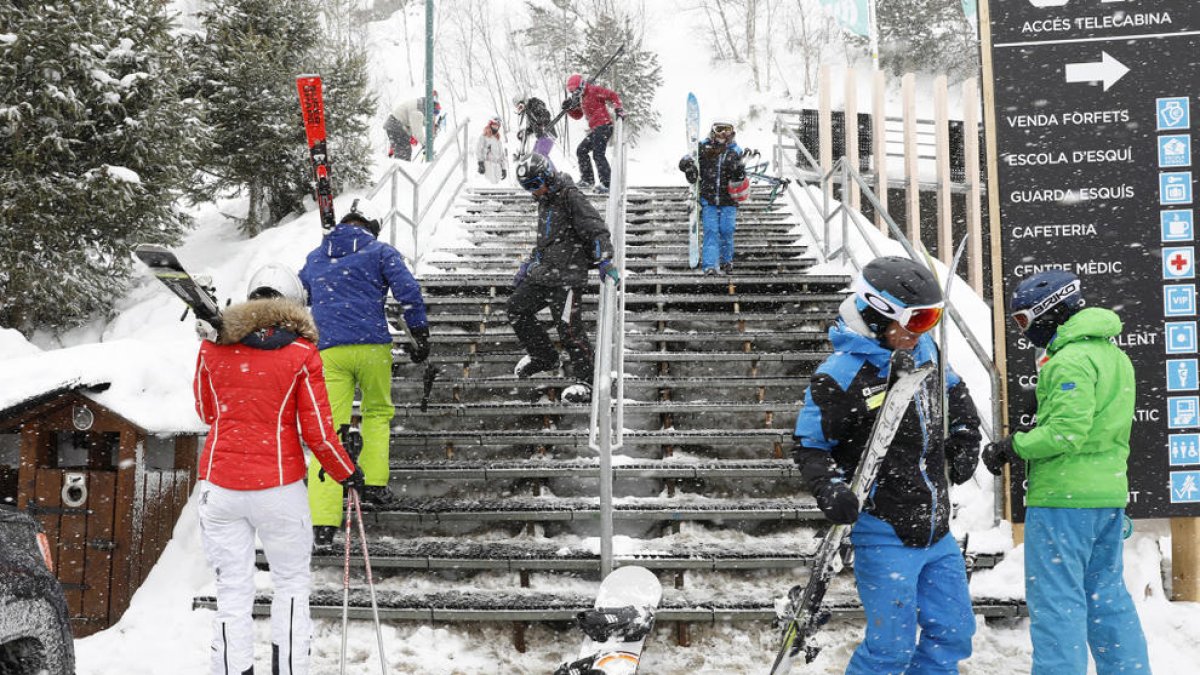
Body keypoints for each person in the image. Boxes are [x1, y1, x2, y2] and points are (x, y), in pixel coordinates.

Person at [792, 256, 982, 675]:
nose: (923, 332)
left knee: (953, 634)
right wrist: (830, 488)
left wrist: (967, 436)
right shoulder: (840, 375)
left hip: (936, 527)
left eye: (932, 319)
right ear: (879, 314)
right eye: (917, 320)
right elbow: (810, 446)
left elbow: (955, 392)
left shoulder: (924, 349)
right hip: (884, 530)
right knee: (890, 649)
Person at [193, 264, 363, 675]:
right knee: (290, 584)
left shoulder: (212, 346)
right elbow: (317, 431)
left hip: (221, 486)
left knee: (232, 591)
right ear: (295, 305)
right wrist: (346, 471)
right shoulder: (301, 354)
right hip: (278, 487)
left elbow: (206, 411)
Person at [983, 270, 1150, 674]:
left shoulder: (1069, 360)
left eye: (1023, 320)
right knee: (1106, 597)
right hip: (1106, 496)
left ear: (1049, 312)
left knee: (1057, 602)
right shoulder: (1113, 356)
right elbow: (1095, 423)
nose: (1024, 331)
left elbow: (1065, 433)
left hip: (1063, 498)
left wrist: (1012, 446)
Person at [299, 199, 430, 549]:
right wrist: (420, 332)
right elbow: (408, 291)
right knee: (377, 412)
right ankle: (373, 483)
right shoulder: (380, 251)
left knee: (328, 430)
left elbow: (297, 294)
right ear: (372, 225)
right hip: (372, 345)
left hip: (328, 351)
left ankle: (323, 520)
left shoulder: (316, 257)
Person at [508, 153, 617, 403]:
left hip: (567, 276)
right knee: (516, 308)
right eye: (528, 187)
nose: (534, 191)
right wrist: (528, 264)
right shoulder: (545, 202)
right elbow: (546, 243)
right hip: (545, 274)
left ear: (548, 175)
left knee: (569, 330)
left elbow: (595, 228)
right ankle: (544, 356)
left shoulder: (570, 196)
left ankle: (588, 382)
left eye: (536, 184)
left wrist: (605, 259)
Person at [678, 120, 750, 276]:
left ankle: (726, 261)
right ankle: (710, 265)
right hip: (709, 198)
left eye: (727, 129)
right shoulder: (704, 147)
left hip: (728, 200)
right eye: (719, 129)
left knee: (727, 230)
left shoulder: (735, 151)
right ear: (713, 131)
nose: (723, 133)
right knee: (711, 231)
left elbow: (740, 178)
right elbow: (686, 160)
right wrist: (687, 164)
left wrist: (739, 171)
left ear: (732, 132)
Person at [561, 73, 623, 193]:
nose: (575, 94)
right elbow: (578, 115)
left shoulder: (594, 90)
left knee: (598, 154)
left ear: (582, 85)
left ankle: (608, 184)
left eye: (576, 90)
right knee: (581, 150)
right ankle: (587, 180)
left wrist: (618, 107)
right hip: (596, 129)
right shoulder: (582, 98)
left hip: (604, 125)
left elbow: (612, 95)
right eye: (572, 92)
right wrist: (569, 109)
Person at [384, 91, 442, 161]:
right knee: (404, 152)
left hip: (396, 126)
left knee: (404, 150)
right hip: (395, 126)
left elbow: (421, 121)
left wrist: (431, 124)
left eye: (437, 113)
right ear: (430, 109)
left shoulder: (421, 105)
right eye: (435, 112)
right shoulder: (417, 111)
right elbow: (417, 132)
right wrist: (426, 144)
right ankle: (400, 166)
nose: (434, 115)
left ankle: (399, 164)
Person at [513, 94, 557, 160]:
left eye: (521, 107)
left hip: (548, 134)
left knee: (540, 157)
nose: (521, 109)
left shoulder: (535, 104)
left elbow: (546, 115)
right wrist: (527, 131)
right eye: (519, 108)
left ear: (524, 101)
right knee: (533, 157)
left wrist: (540, 121)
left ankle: (549, 167)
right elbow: (533, 126)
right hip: (540, 137)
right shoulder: (528, 111)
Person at [476, 115, 508, 184]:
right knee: (488, 185)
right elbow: (479, 150)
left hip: (497, 166)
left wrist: (503, 168)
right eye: (494, 125)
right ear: (490, 125)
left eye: (497, 126)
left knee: (497, 186)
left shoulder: (498, 139)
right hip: (488, 165)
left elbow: (501, 155)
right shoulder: (484, 137)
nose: (495, 128)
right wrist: (481, 163)